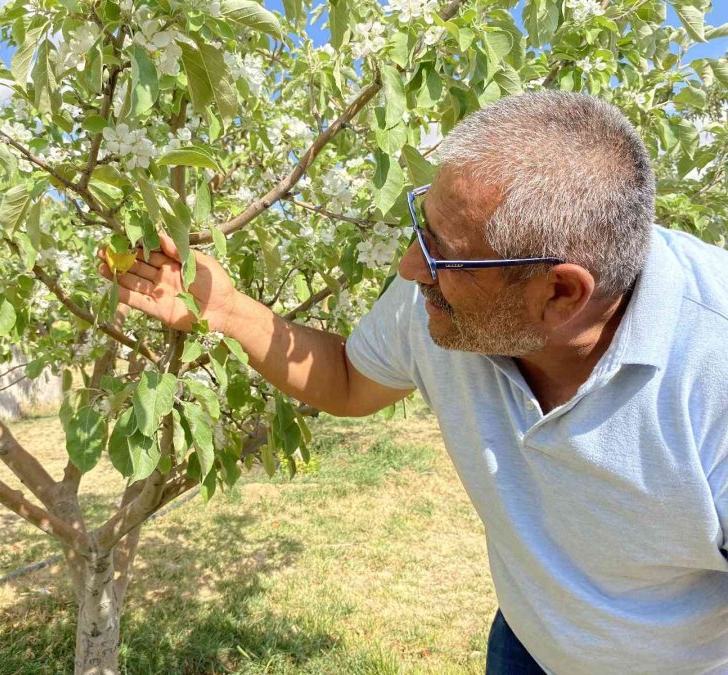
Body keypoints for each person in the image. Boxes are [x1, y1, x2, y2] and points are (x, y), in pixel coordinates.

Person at [98, 91, 728, 674]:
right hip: (531, 639)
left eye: (439, 253)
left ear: (560, 292)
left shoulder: (713, 370)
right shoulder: (436, 295)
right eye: (418, 229)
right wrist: (229, 311)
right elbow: (348, 381)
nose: (408, 266)